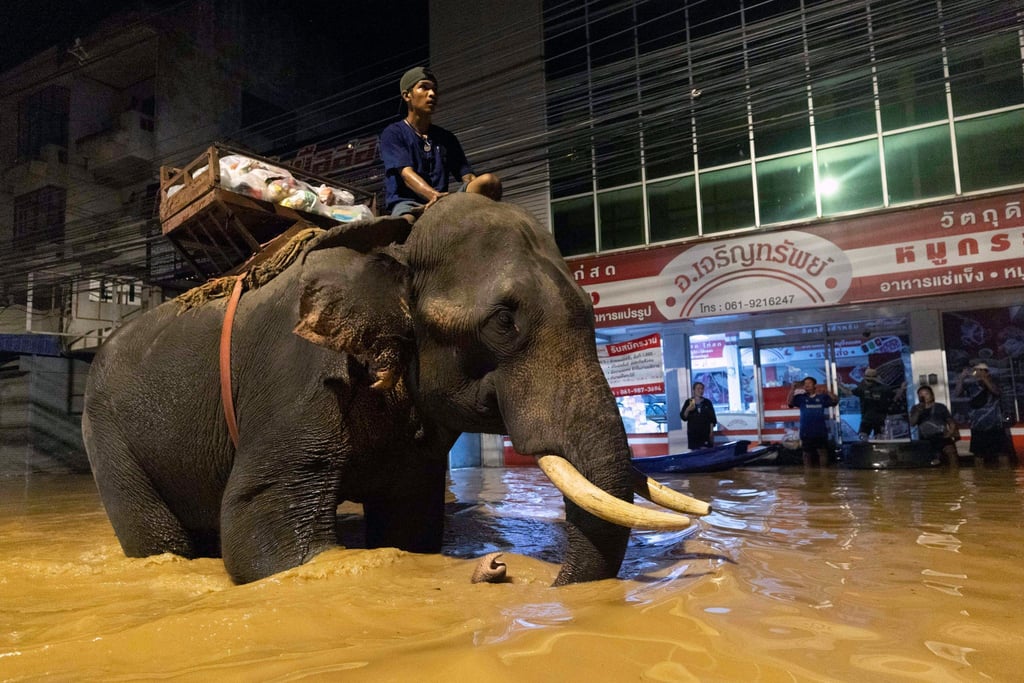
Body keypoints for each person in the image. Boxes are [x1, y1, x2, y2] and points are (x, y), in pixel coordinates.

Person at [379, 66, 502, 220]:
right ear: (407, 95)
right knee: (404, 224)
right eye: (424, 87)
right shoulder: (393, 133)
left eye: (434, 90)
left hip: (445, 200)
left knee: (490, 181)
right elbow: (407, 176)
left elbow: (467, 175)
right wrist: (434, 196)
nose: (432, 94)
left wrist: (476, 189)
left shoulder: (446, 137)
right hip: (409, 204)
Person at [954, 362, 1011, 460]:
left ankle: (1005, 474)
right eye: (976, 370)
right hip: (977, 424)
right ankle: (980, 475)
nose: (976, 372)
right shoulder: (971, 385)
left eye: (980, 370)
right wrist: (961, 378)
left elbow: (996, 391)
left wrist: (984, 378)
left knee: (1001, 453)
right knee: (978, 454)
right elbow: (957, 393)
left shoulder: (994, 380)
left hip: (994, 423)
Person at [788, 376, 838, 465]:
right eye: (805, 383)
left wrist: (827, 392)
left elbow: (835, 401)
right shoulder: (800, 398)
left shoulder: (822, 397)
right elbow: (789, 403)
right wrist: (793, 389)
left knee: (822, 452)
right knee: (806, 454)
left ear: (814, 385)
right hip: (806, 431)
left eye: (809, 383)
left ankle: (824, 475)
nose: (806, 385)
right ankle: (808, 475)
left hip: (820, 430)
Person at [908, 385, 959, 465]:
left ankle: (954, 474)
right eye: (921, 395)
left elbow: (950, 421)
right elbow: (912, 423)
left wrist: (950, 432)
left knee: (951, 452)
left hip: (941, 436)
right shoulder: (915, 408)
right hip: (926, 438)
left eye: (926, 394)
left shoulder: (940, 407)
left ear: (932, 395)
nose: (924, 397)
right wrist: (918, 411)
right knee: (931, 460)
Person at [850, 367, 894, 440]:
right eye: (868, 377)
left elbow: (892, 395)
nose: (870, 379)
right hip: (867, 418)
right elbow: (850, 392)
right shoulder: (862, 387)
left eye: (872, 377)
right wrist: (839, 385)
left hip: (880, 418)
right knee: (863, 437)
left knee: (879, 438)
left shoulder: (883, 388)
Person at [680, 381, 717, 449]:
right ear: (693, 390)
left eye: (702, 389)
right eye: (698, 389)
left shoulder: (707, 402)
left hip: (705, 433)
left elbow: (712, 419)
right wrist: (688, 409)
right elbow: (683, 417)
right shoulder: (689, 402)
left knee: (706, 453)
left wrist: (711, 432)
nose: (700, 390)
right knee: (695, 454)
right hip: (693, 434)